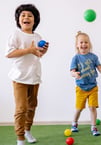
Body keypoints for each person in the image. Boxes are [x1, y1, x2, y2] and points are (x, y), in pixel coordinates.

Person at [5, 4, 49, 145]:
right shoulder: (15, 34)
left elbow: (38, 55)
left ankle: (28, 130)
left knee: (32, 107)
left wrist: (42, 52)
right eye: (23, 15)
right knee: (21, 109)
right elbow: (9, 53)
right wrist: (28, 50)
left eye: (30, 15)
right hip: (19, 78)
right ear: (18, 20)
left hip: (34, 77)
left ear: (35, 20)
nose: (26, 17)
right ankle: (20, 138)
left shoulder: (38, 36)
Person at [70, 31, 101, 136]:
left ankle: (94, 128)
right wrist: (75, 74)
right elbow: (71, 71)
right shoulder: (76, 58)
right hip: (81, 88)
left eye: (86, 42)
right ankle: (74, 123)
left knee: (92, 107)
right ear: (77, 45)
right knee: (79, 109)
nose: (84, 44)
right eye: (81, 42)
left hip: (93, 87)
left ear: (90, 44)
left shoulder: (93, 57)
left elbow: (99, 67)